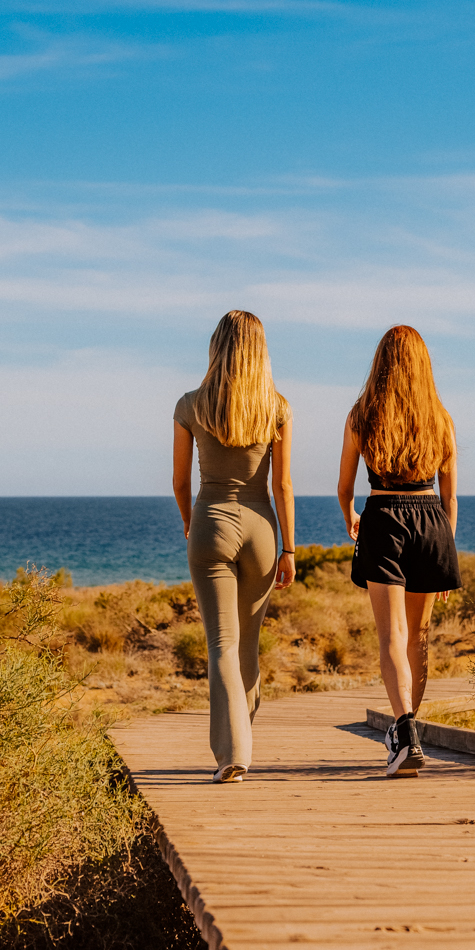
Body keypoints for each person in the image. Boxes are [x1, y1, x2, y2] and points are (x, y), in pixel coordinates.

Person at [173, 310, 295, 784]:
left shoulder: (190, 405)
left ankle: (232, 752)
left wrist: (190, 522)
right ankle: (241, 739)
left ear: (216, 346)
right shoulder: (277, 407)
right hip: (262, 526)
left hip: (210, 520)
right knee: (248, 645)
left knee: (221, 643)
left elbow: (181, 482)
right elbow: (283, 485)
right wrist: (289, 548)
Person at [338, 325, 460, 778]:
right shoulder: (442, 419)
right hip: (431, 522)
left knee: (392, 635)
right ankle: (409, 732)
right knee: (418, 637)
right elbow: (450, 499)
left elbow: (345, 487)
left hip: (383, 517)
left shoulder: (361, 415)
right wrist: (446, 552)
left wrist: (351, 515)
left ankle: (404, 730)